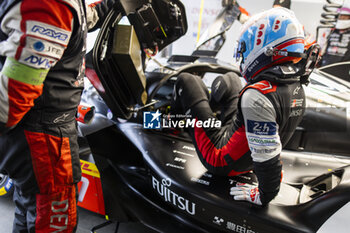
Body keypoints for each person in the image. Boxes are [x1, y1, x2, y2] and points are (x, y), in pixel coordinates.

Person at [172, 8, 313, 205]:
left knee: (187, 80)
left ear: (265, 46)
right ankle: (202, 115)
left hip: (220, 158)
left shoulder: (257, 95)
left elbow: (267, 155)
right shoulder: (295, 84)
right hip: (240, 146)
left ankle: (170, 125)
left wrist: (264, 194)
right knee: (230, 79)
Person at [0, 0, 115, 232]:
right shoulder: (48, 5)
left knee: (29, 210)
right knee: (51, 221)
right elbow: (10, 104)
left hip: (37, 136)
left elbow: (84, 19)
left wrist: (116, 4)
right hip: (43, 141)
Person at [321, 0, 350, 66]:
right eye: (340, 16)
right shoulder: (330, 30)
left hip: (343, 71)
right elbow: (322, 50)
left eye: (345, 16)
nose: (342, 18)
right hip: (325, 68)